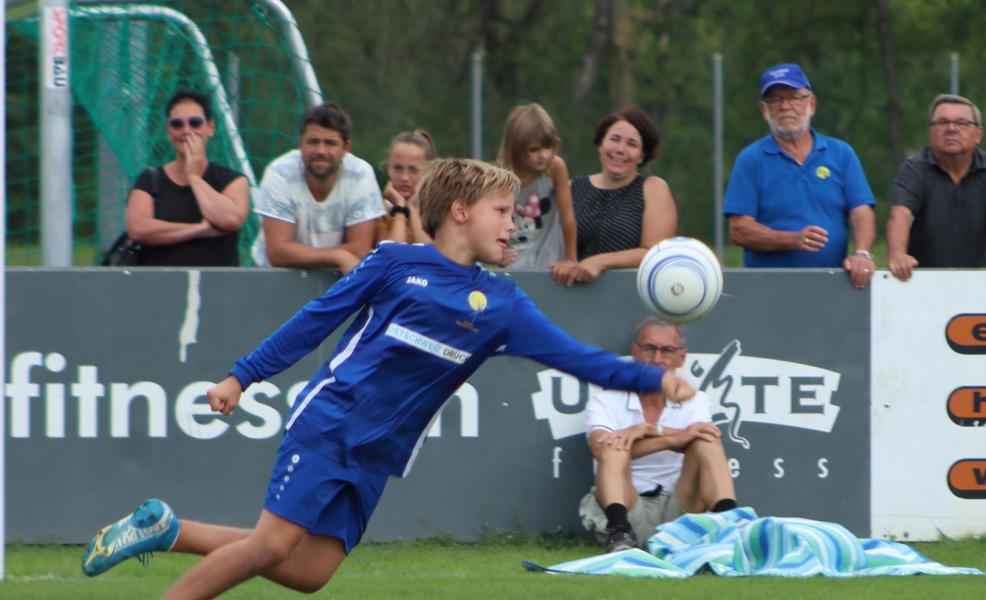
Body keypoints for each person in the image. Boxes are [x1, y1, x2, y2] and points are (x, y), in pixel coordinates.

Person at [81, 159, 696, 598]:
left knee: (308, 575)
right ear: (460, 212)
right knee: (270, 546)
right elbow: (313, 321)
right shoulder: (395, 262)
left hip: (378, 455)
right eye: (502, 212)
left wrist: (651, 377)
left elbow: (576, 357)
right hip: (331, 422)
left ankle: (167, 529)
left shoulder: (504, 305)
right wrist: (242, 377)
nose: (515, 225)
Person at [579, 318, 736, 553]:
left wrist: (648, 430)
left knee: (707, 441)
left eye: (667, 350)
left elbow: (699, 437)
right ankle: (620, 534)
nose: (657, 359)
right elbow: (600, 449)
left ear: (681, 357)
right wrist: (671, 439)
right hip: (628, 504)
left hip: (680, 507)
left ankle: (731, 531)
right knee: (611, 445)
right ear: (635, 352)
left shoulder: (696, 400)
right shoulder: (606, 399)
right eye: (649, 348)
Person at [723, 63, 877, 290]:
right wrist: (792, 240)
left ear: (812, 104)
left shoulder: (841, 153)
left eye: (794, 97)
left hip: (834, 286)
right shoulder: (750, 159)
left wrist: (862, 253)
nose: (785, 106)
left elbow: (861, 210)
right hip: (766, 288)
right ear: (764, 110)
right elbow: (739, 230)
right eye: (775, 100)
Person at [886, 94, 986, 281]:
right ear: (930, 132)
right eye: (942, 122)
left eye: (962, 123)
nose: (951, 129)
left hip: (978, 285)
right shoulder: (913, 168)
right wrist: (897, 254)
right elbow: (901, 214)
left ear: (978, 134)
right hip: (917, 283)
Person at [251, 102, 384, 274]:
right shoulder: (279, 173)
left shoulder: (360, 174)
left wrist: (324, 256)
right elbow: (277, 253)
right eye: (313, 142)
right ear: (301, 144)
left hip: (335, 281)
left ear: (346, 148)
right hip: (274, 279)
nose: (321, 151)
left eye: (330, 143)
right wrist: (337, 256)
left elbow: (359, 249)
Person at [125, 90, 249, 266]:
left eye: (195, 123)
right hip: (159, 287)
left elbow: (230, 220)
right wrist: (199, 230)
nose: (186, 131)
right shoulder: (150, 180)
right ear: (169, 131)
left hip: (217, 288)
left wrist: (194, 177)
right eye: (177, 124)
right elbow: (137, 229)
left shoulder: (232, 180)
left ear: (210, 128)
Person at [566, 106, 677, 286]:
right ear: (600, 144)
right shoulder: (571, 188)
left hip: (632, 298)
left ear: (642, 156)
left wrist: (599, 262)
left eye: (631, 144)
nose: (620, 149)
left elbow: (655, 253)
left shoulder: (653, 189)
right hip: (570, 295)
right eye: (614, 139)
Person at [495, 103, 578, 282]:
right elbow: (490, 223)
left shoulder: (555, 167)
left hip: (552, 265)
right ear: (516, 149)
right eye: (534, 150)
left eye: (548, 147)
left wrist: (570, 259)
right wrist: (496, 253)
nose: (544, 155)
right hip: (516, 266)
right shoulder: (500, 177)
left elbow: (567, 217)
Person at [378, 129, 436, 245]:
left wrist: (412, 209)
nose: (404, 177)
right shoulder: (381, 211)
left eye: (413, 170)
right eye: (398, 168)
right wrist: (400, 208)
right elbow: (391, 254)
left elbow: (432, 256)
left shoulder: (440, 210)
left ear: (429, 172)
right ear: (388, 168)